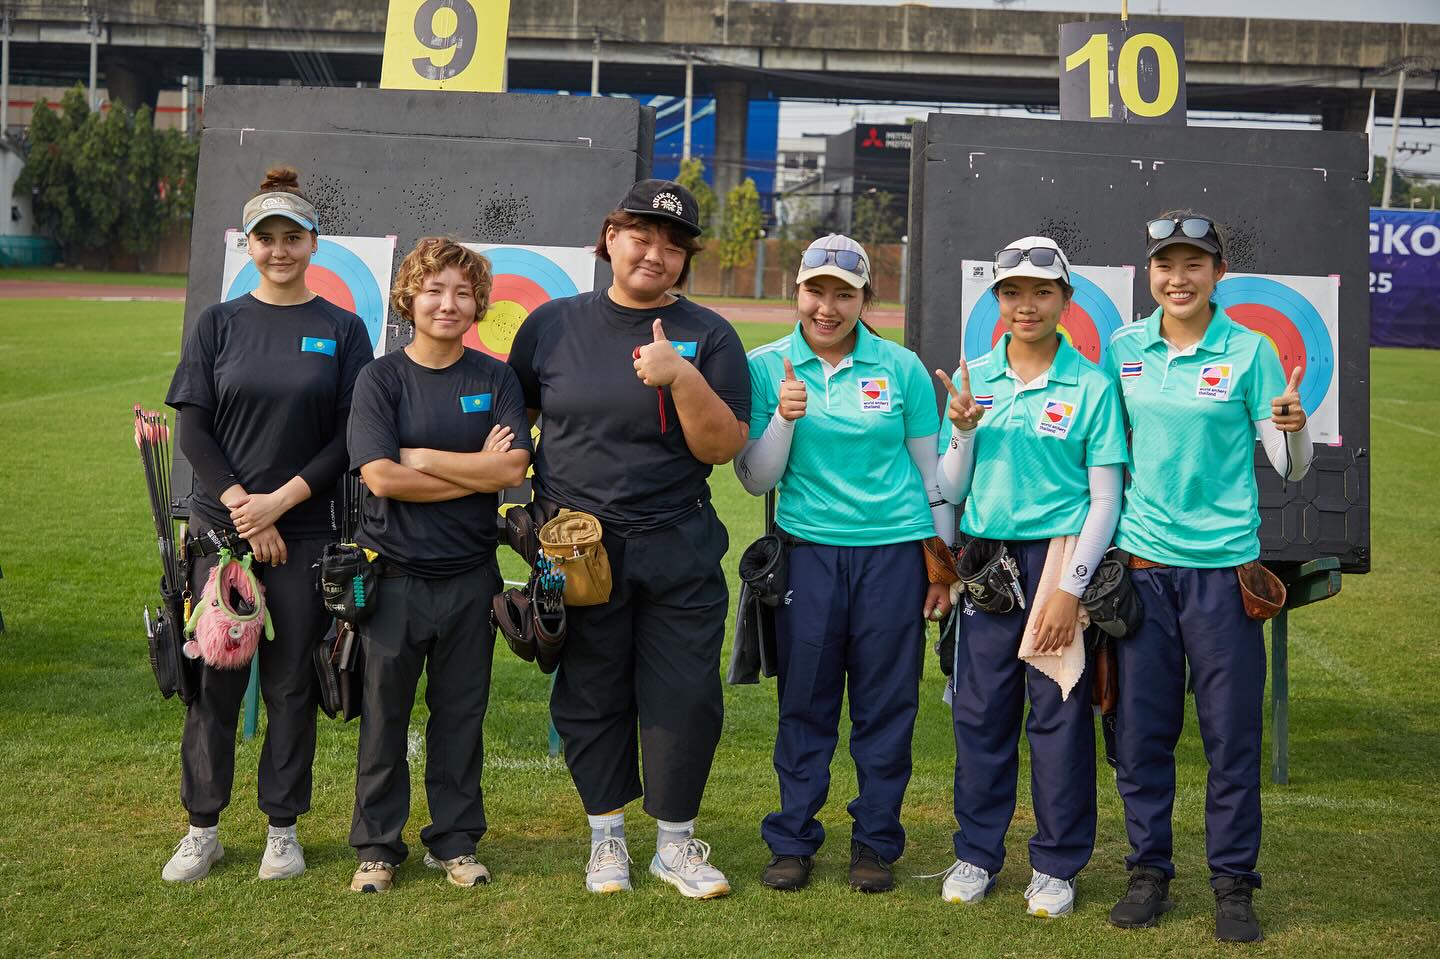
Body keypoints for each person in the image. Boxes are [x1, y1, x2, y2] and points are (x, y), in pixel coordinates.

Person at [507, 179, 750, 899]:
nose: (656, 254)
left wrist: (679, 376)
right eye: (641, 237)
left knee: (686, 695)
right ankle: (606, 838)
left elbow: (721, 445)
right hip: (579, 548)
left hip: (677, 540)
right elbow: (512, 422)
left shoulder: (710, 334)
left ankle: (675, 845)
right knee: (590, 690)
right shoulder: (550, 324)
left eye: (674, 247)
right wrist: (519, 506)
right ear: (610, 236)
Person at [1103, 212, 1311, 943]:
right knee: (1142, 735)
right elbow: (1101, 452)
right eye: (1166, 265)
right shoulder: (1125, 347)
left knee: (1231, 738)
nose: (1179, 278)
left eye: (1194, 265)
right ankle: (1148, 870)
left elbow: (1289, 467)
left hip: (1224, 575)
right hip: (1146, 570)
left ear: (1218, 274)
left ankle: (1232, 883)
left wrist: (1291, 425)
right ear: (1150, 274)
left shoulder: (1252, 351)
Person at [162, 166, 373, 882]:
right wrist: (245, 511)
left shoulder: (342, 330)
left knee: (290, 686)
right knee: (215, 686)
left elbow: (350, 436)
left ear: (313, 242)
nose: (279, 249)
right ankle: (203, 826)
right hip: (223, 537)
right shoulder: (218, 324)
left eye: (292, 236)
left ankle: (283, 828)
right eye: (265, 238)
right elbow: (193, 429)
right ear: (247, 244)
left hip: (305, 535)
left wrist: (279, 504)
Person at [735, 234, 951, 894]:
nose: (827, 307)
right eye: (815, 290)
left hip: (893, 557)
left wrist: (943, 564)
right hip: (810, 557)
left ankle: (876, 841)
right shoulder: (766, 364)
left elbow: (931, 473)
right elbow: (753, 478)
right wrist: (783, 417)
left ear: (864, 299)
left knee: (887, 705)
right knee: (806, 701)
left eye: (843, 294)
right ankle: (793, 838)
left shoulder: (902, 367)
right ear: (795, 291)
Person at [931, 237, 1128, 917]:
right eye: (1012, 292)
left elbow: (1106, 497)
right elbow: (948, 487)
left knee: (1059, 717)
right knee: (980, 715)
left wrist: (1070, 588)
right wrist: (960, 429)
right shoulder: (973, 377)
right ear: (997, 300)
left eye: (1042, 292)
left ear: (1066, 301)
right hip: (990, 563)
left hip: (1059, 559)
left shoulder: (1092, 384)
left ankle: (1055, 864)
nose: (1027, 305)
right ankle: (977, 852)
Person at [345, 238, 531, 893]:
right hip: (392, 579)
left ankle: (454, 841)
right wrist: (468, 474)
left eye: (461, 292)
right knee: (384, 717)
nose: (447, 303)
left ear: (478, 302)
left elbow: (511, 468)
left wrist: (421, 456)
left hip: (470, 579)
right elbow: (381, 477)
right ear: (409, 298)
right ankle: (377, 848)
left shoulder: (494, 378)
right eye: (434, 290)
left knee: (459, 718)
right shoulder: (380, 378)